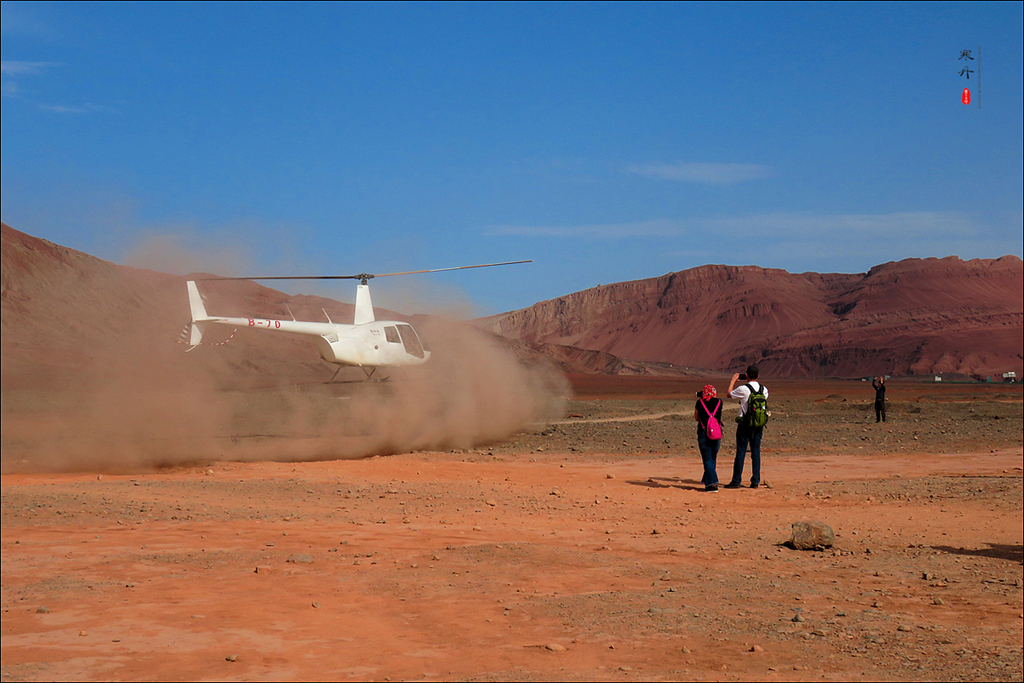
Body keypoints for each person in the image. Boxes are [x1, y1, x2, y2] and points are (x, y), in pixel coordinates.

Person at [724, 365, 768, 489]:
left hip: (744, 425)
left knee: (741, 452)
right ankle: (755, 481)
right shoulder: (764, 389)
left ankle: (736, 480)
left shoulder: (743, 389)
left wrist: (733, 381)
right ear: (758, 376)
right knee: (756, 452)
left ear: (746, 375)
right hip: (758, 425)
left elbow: (729, 394)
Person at [693, 384, 723, 492]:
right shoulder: (719, 402)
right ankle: (708, 479)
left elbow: (696, 418)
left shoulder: (699, 403)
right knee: (712, 457)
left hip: (703, 433)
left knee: (707, 459)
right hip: (716, 433)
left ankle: (712, 484)